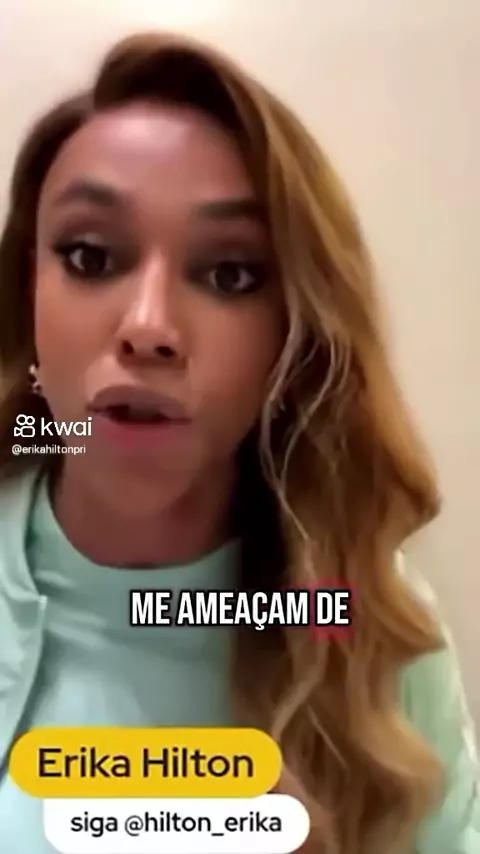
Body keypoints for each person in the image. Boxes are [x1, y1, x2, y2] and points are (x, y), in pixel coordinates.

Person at [0, 30, 477, 854]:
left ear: (292, 337)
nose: (148, 327)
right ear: (27, 292)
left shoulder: (367, 620)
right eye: (91, 256)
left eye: (229, 274)